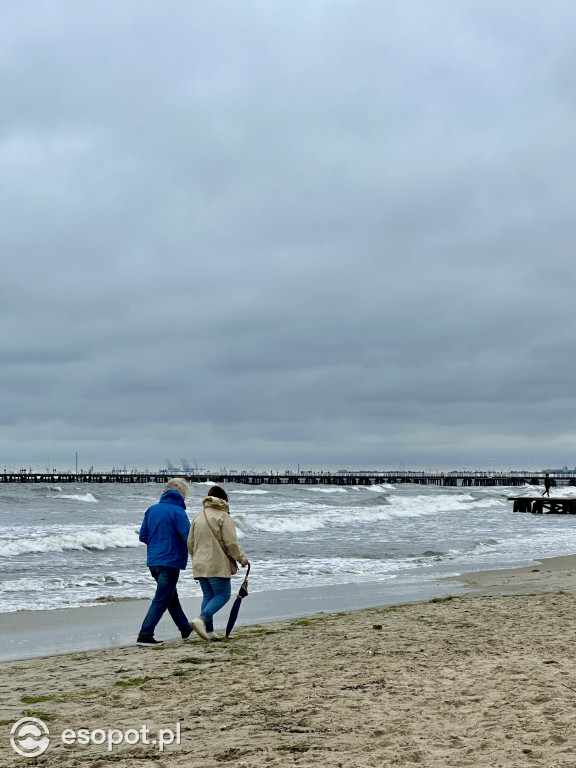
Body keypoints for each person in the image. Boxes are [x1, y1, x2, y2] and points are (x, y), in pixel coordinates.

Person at [187, 485, 249, 641]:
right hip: (216, 562)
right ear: (224, 500)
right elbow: (231, 542)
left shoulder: (198, 516)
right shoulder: (223, 516)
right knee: (222, 594)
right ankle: (201, 619)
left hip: (199, 563)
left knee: (208, 596)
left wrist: (196, 557)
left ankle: (209, 632)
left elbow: (190, 542)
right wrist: (241, 558)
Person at [136, 478, 192, 647]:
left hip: (153, 561)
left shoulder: (151, 510)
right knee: (162, 598)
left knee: (170, 596)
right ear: (183, 494)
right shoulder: (178, 512)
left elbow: (143, 536)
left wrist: (157, 545)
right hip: (170, 561)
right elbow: (189, 538)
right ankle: (145, 634)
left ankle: (185, 627)